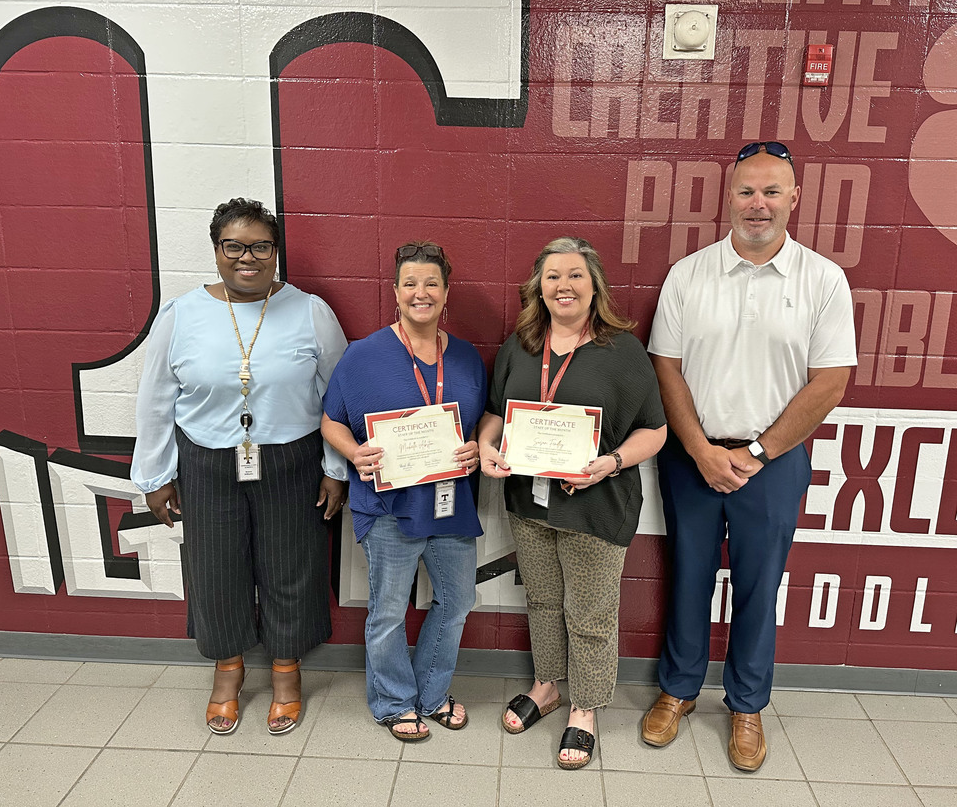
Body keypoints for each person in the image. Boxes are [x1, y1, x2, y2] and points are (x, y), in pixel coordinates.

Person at [643, 142, 856, 771]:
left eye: (771, 192)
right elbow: (666, 369)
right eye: (746, 191)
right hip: (692, 454)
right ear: (728, 197)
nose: (757, 204)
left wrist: (758, 451)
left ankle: (747, 704)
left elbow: (830, 382)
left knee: (760, 586)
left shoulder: (823, 280)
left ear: (794, 198)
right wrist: (702, 449)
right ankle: (679, 690)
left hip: (775, 458)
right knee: (687, 575)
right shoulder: (688, 274)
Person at [131, 197, 348, 736]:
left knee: (291, 567)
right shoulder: (181, 315)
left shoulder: (311, 311)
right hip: (206, 461)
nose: (247, 257)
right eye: (234, 246)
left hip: (292, 461)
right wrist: (155, 476)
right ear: (216, 251)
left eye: (260, 246)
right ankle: (227, 672)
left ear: (275, 252)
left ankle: (285, 671)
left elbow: (338, 398)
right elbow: (156, 398)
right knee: (216, 567)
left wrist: (335, 468)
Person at [478, 237, 667, 770]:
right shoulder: (522, 343)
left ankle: (584, 707)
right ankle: (546, 686)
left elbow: (654, 430)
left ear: (594, 285)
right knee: (541, 601)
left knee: (589, 614)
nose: (564, 285)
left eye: (575, 275)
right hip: (529, 503)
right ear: (539, 286)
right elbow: (496, 411)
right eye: (553, 276)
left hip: (596, 505)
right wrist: (489, 445)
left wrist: (611, 462)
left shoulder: (620, 350)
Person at [321, 241, 486, 742]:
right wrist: (354, 453)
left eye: (431, 283)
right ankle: (393, 702)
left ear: (446, 292)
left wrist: (477, 447)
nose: (421, 293)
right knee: (389, 610)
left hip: (449, 504)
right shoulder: (362, 356)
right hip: (388, 506)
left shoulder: (467, 358)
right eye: (410, 283)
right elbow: (330, 421)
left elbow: (479, 427)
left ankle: (432, 695)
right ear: (395, 291)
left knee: (456, 602)